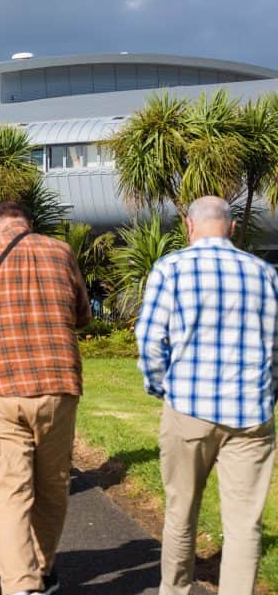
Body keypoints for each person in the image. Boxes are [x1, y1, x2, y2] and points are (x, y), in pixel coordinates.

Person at [136, 196, 278, 595]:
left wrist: (160, 385)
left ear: (189, 225)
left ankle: (175, 589)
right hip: (250, 412)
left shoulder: (172, 269)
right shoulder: (265, 274)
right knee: (244, 524)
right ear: (232, 228)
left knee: (181, 512)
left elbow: (149, 340)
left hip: (189, 408)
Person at [0, 201, 90, 595]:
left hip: (1, 386)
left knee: (11, 494)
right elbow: (82, 316)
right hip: (58, 382)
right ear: (31, 222)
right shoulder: (61, 251)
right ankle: (43, 570)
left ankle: (20, 586)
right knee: (52, 486)